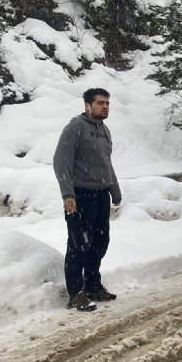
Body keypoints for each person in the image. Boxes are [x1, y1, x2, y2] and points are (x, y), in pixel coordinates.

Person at [53, 88, 122, 311]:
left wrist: (114, 190)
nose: (105, 106)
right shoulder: (75, 127)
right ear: (87, 105)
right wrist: (68, 194)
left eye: (107, 103)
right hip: (80, 196)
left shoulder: (104, 130)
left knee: (99, 243)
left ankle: (93, 285)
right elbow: (61, 161)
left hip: (101, 196)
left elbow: (106, 163)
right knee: (78, 245)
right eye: (100, 103)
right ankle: (75, 293)